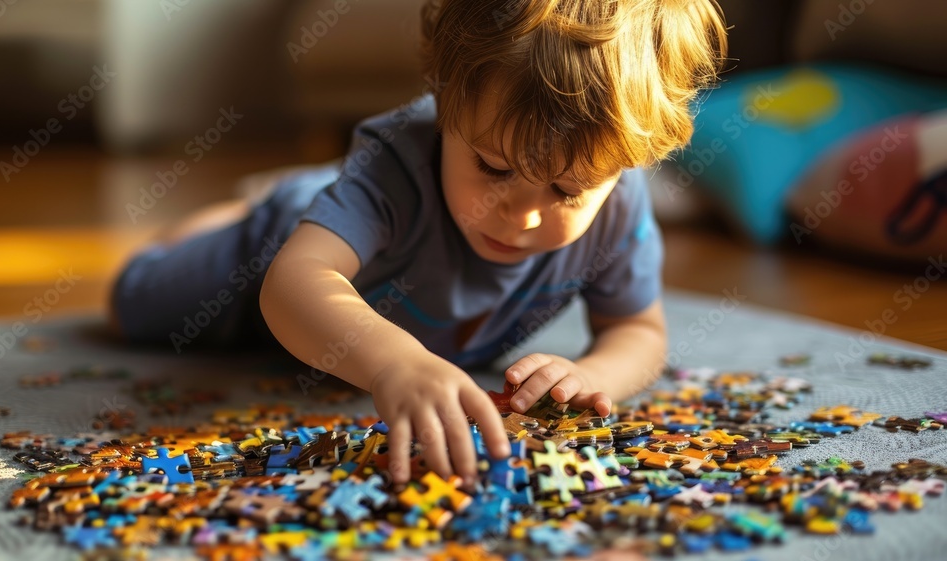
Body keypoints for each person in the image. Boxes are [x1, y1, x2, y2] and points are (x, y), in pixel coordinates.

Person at [110, 0, 727, 486]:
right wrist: (392, 361)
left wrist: (589, 375)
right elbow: (293, 283)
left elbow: (639, 331)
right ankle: (257, 205)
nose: (525, 217)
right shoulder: (397, 162)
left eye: (568, 191)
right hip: (267, 249)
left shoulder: (620, 201)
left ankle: (323, 186)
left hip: (368, 240)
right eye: (493, 167)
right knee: (133, 303)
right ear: (444, 105)